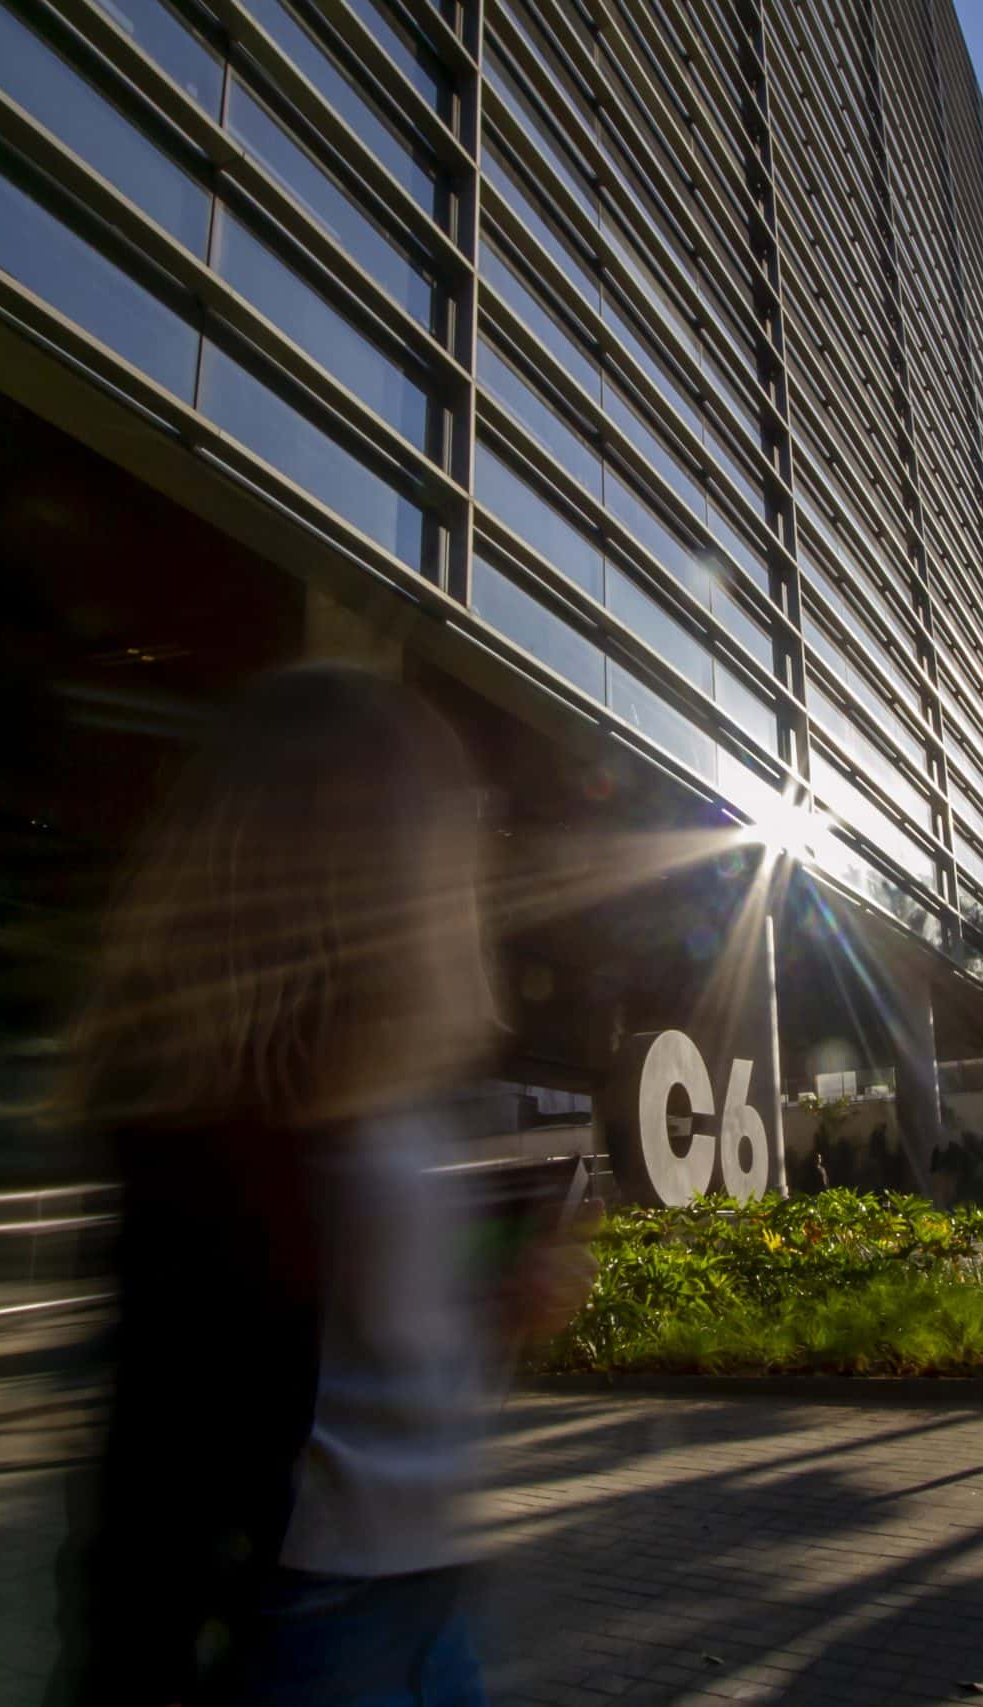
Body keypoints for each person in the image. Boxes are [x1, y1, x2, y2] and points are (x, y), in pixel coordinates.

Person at [49, 665, 587, 1707]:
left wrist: (496, 1309)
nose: (458, 841)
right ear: (339, 850)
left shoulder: (386, 1084)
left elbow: (363, 1347)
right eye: (423, 810)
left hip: (427, 1593)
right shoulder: (217, 1119)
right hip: (313, 1622)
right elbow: (155, 1458)